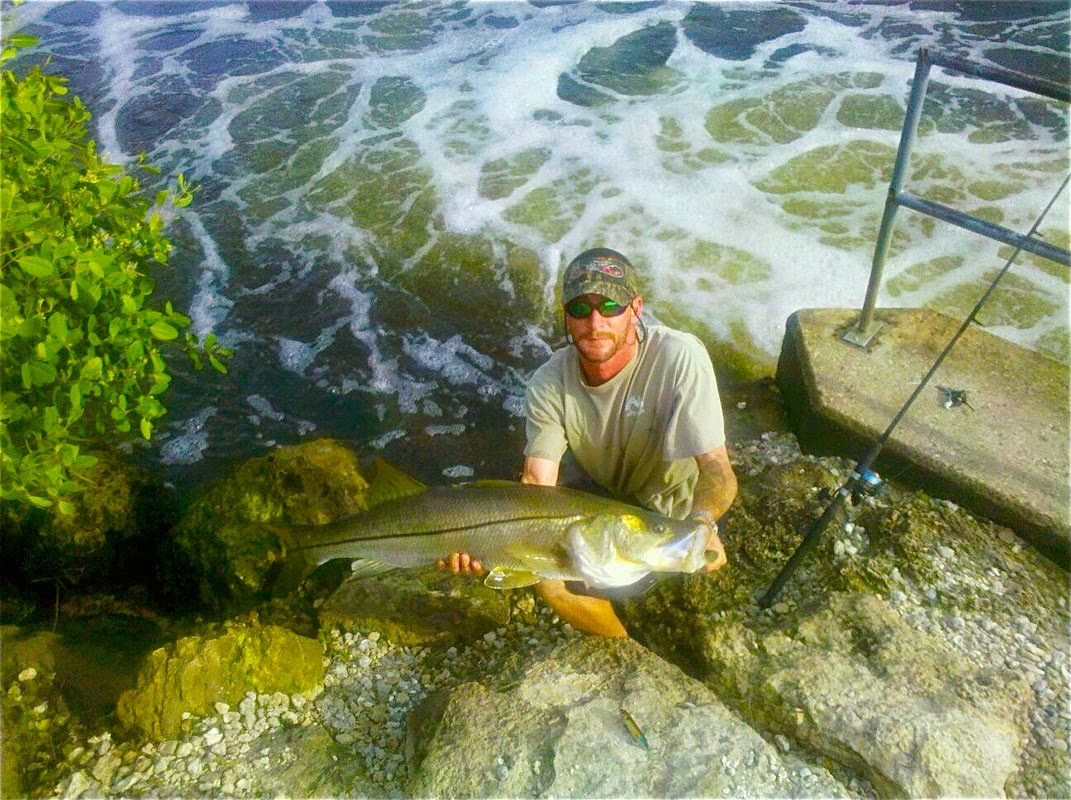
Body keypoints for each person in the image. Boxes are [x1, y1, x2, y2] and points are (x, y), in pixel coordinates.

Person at [439, 247, 737, 637]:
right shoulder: (548, 382)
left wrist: (703, 522)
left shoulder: (679, 356)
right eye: (580, 309)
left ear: (636, 309)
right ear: (566, 315)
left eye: (610, 306)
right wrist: (487, 546)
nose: (595, 323)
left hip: (662, 517)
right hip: (604, 500)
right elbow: (537, 488)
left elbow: (717, 468)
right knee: (547, 579)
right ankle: (625, 650)